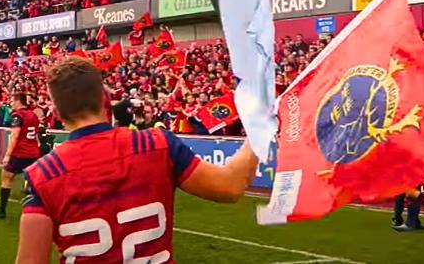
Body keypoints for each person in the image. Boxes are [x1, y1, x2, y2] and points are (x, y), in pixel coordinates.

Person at [14, 57, 258, 263]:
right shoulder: (158, 144)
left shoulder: (43, 173)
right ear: (105, 99)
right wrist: (259, 127)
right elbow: (231, 185)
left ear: (57, 113)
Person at [0, 93, 41, 219]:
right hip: (33, 153)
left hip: (20, 153)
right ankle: (41, 210)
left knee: (6, 178)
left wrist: (7, 155)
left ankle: (2, 210)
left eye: (13, 101)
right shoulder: (33, 115)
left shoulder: (18, 116)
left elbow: (15, 136)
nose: (11, 104)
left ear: (18, 102)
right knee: (35, 183)